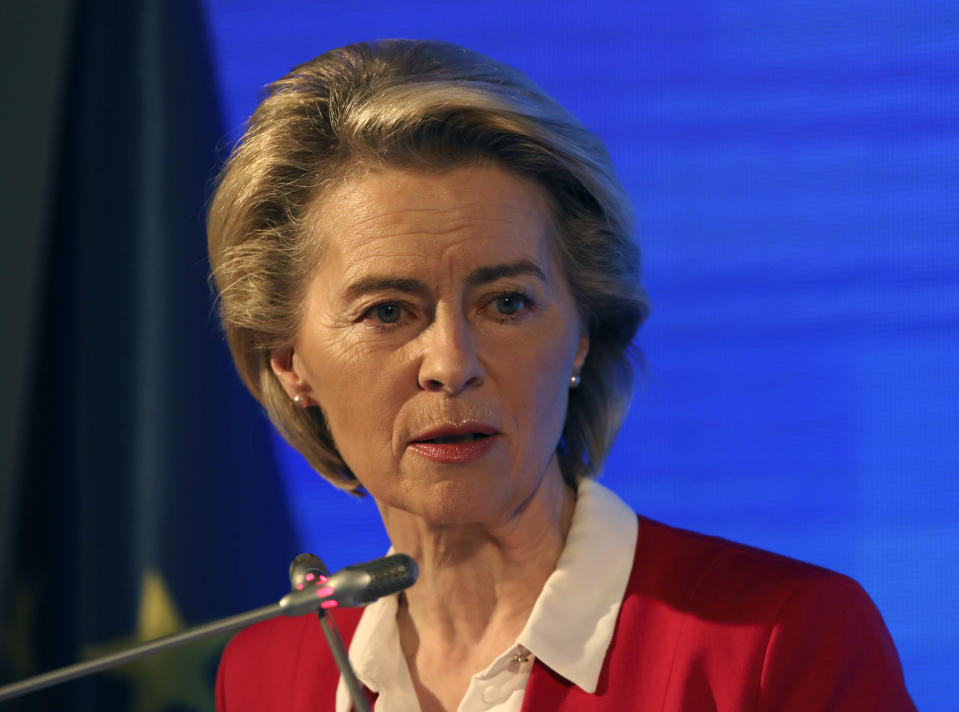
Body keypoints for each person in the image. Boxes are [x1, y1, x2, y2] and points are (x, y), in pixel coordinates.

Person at [209, 40, 915, 711]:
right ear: (290, 364)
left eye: (507, 303)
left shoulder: (774, 639)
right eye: (387, 311)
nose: (452, 365)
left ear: (581, 335)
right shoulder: (268, 672)